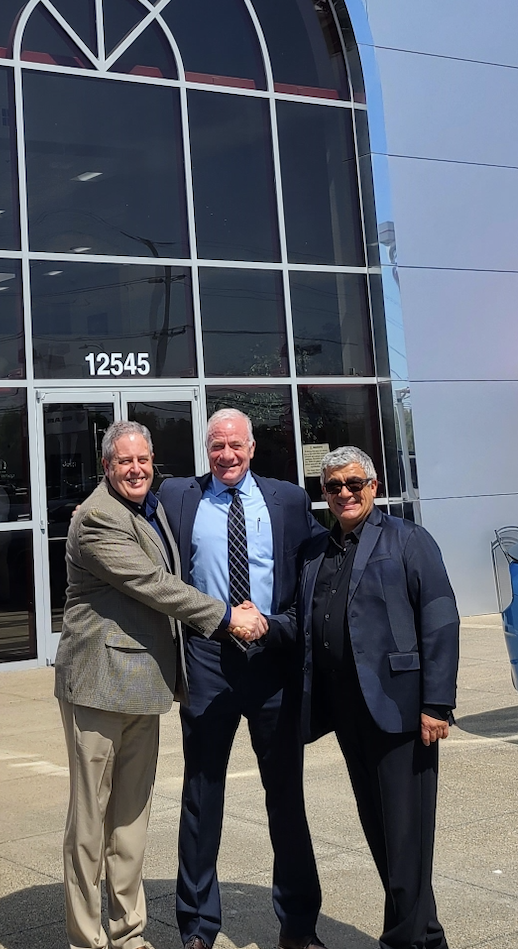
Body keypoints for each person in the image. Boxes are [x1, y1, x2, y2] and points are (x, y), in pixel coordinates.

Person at [54, 420, 266, 949]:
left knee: (130, 819)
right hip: (99, 684)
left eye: (143, 460)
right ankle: (87, 938)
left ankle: (128, 933)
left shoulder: (150, 507)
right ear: (106, 466)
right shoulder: (99, 519)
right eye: (124, 461)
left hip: (143, 685)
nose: (135, 469)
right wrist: (224, 617)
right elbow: (152, 584)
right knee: (90, 822)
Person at [159, 407, 330, 949]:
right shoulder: (178, 497)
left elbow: (315, 575)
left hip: (271, 663)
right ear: (205, 451)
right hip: (208, 659)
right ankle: (197, 925)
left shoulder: (289, 500)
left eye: (235, 445)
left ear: (252, 448)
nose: (226, 455)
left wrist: (280, 628)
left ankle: (299, 925)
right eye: (216, 446)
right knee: (201, 794)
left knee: (285, 797)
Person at [291, 446, 459, 949]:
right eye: (334, 486)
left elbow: (440, 619)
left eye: (354, 483)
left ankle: (402, 940)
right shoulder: (316, 550)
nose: (345, 493)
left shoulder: (408, 540)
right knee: (381, 831)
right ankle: (426, 937)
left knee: (407, 834)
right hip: (347, 711)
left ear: (374, 485)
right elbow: (301, 622)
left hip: (403, 709)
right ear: (323, 494)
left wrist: (436, 704)